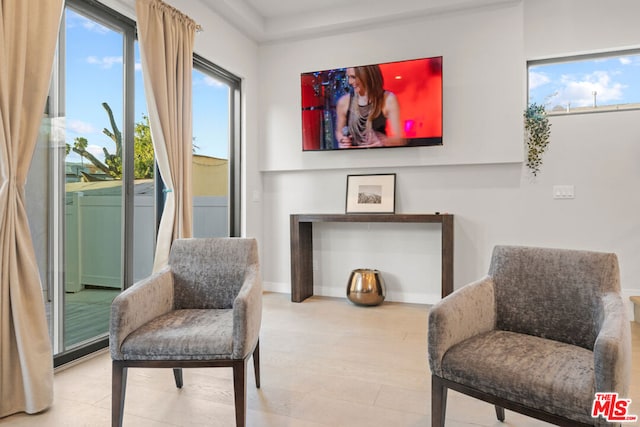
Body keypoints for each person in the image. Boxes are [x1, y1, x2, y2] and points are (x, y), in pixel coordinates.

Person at [335, 65, 404, 148]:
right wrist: (342, 140)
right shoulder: (344, 102)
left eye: (353, 77)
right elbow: (339, 132)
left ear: (366, 76)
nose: (349, 82)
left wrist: (383, 141)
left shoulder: (388, 99)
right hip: (353, 157)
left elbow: (399, 139)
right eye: (348, 77)